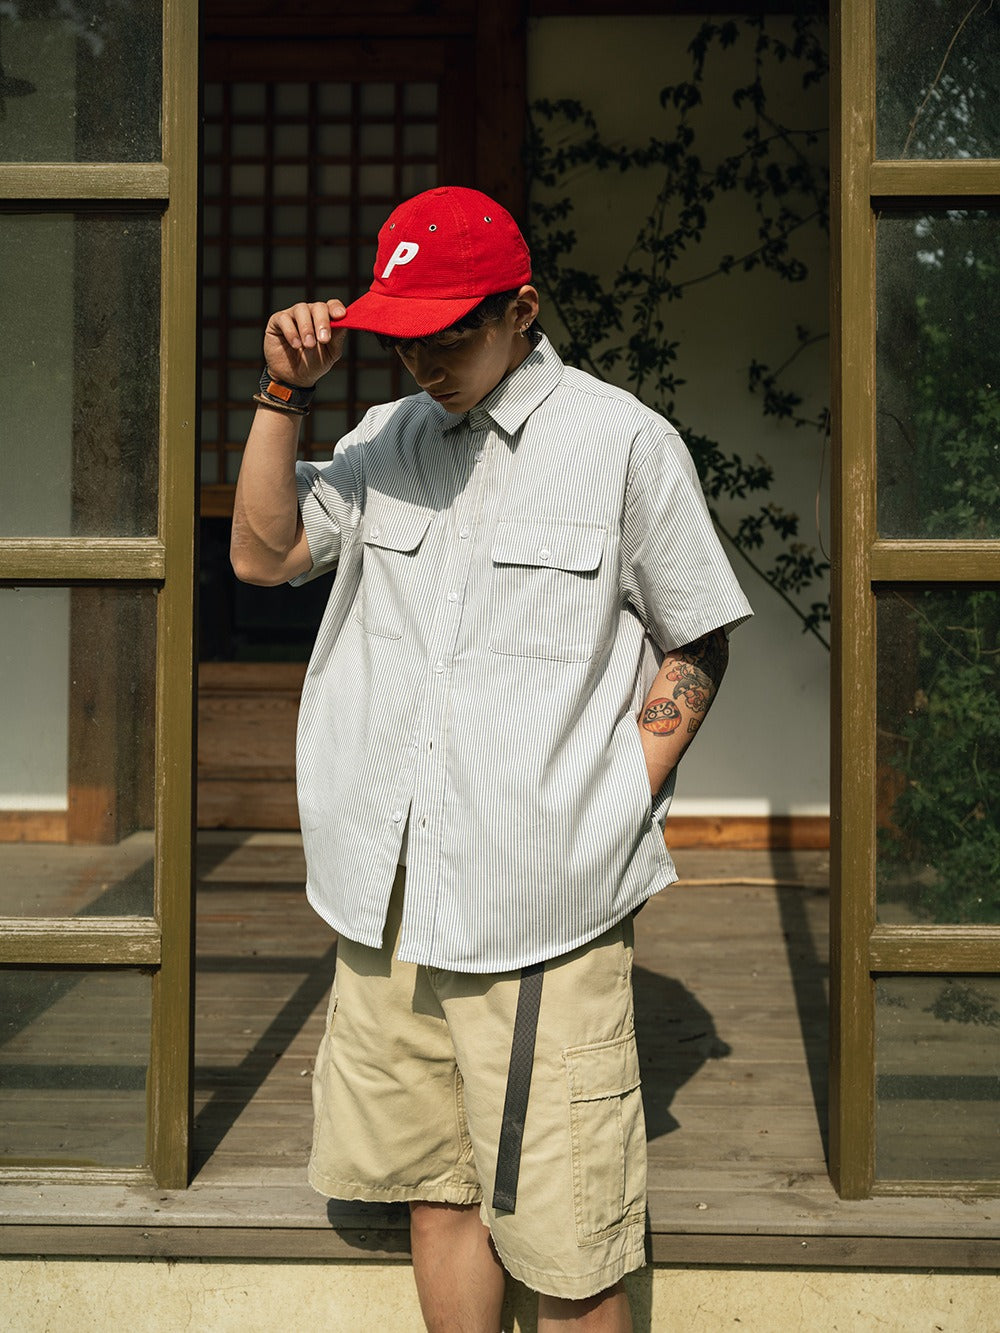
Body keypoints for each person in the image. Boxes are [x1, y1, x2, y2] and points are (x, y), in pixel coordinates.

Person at [231, 185, 752, 1332]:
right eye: (404, 335)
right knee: (439, 1193)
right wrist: (282, 396)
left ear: (521, 310)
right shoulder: (384, 439)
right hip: (390, 901)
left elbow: (699, 633)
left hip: (540, 907)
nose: (425, 360)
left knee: (571, 1244)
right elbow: (265, 557)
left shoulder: (623, 443)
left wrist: (619, 793)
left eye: (450, 332)